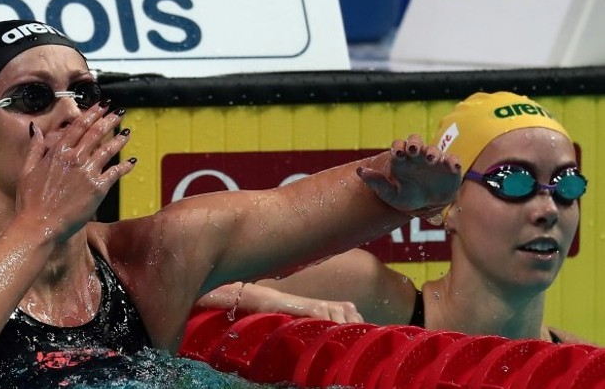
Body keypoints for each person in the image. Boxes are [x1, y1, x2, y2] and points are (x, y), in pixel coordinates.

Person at [0, 19, 461, 388]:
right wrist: (41, 223)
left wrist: (397, 190)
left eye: (85, 93)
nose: (72, 113)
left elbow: (291, 210)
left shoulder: (148, 261)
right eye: (33, 97)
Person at [202, 91, 592, 344]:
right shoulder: (362, 293)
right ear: (450, 204)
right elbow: (171, 278)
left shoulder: (577, 362)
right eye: (513, 182)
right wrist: (271, 301)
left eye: (567, 186)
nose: (547, 210)